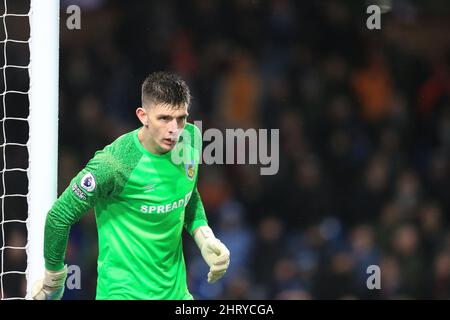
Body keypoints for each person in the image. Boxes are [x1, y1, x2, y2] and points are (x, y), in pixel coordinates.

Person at [32, 72, 230, 300]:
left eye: (181, 118)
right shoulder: (113, 165)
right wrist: (53, 280)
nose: (174, 129)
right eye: (164, 118)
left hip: (177, 295)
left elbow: (188, 193)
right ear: (143, 116)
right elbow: (59, 216)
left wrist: (204, 236)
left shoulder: (191, 139)